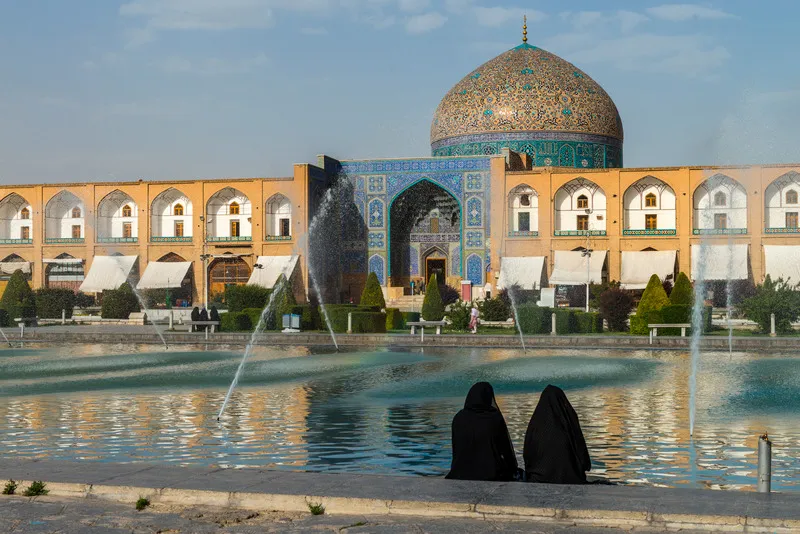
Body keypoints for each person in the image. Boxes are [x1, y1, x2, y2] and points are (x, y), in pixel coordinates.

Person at [446, 382, 518, 481]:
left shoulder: (458, 418)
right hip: (491, 473)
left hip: (460, 472)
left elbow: (456, 448)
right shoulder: (494, 418)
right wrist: (512, 468)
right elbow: (505, 448)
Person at [523, 385, 591, 484]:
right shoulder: (567, 425)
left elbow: (528, 454)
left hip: (539, 476)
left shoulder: (535, 426)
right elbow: (580, 450)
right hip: (568, 477)